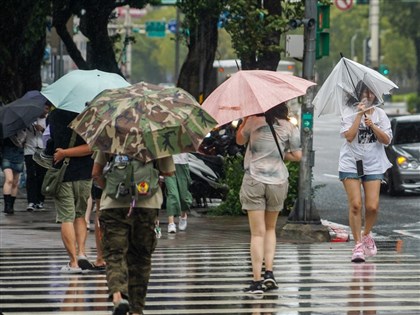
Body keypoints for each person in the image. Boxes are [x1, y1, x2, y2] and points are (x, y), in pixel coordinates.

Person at [92, 152, 174, 315]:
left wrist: (110, 188)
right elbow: (169, 172)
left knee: (115, 254)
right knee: (141, 259)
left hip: (113, 205)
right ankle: (136, 309)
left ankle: (118, 295)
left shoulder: (111, 135)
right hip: (147, 206)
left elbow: (96, 173)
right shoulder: (156, 139)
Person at [236, 103, 302, 294]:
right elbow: (298, 155)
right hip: (278, 181)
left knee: (257, 233)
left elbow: (240, 141)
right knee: (271, 228)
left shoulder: (253, 121)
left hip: (254, 180)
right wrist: (280, 154)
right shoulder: (289, 126)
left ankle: (256, 282)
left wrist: (244, 121)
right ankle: (269, 273)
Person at [339, 82, 392, 263]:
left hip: (373, 164)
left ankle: (367, 234)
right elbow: (349, 136)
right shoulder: (348, 112)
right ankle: (358, 246)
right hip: (350, 164)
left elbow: (386, 140)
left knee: (372, 207)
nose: (368, 95)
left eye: (371, 92)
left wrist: (373, 125)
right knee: (355, 205)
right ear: (358, 94)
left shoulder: (380, 115)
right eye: (365, 92)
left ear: (375, 96)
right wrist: (359, 115)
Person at [48, 108, 94, 273]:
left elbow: (51, 142)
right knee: (80, 215)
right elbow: (91, 147)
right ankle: (81, 253)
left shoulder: (54, 115)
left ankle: (73, 262)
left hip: (62, 173)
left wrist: (64, 152)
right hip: (85, 173)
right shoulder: (89, 116)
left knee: (66, 217)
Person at [24, 103, 50, 211]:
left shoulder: (49, 120)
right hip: (30, 150)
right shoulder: (29, 120)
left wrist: (42, 130)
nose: (44, 110)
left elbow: (51, 135)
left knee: (42, 177)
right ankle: (31, 201)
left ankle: (40, 200)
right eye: (43, 108)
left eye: (47, 108)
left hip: (43, 151)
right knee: (31, 176)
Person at [165, 153, 192, 233]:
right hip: (168, 163)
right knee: (172, 194)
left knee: (183, 197)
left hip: (182, 164)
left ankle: (183, 215)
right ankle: (171, 223)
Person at [1, 129, 27, 215]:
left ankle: (11, 206)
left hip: (19, 154)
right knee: (9, 179)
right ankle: (7, 206)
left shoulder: (23, 128)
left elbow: (25, 141)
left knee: (15, 182)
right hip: (6, 154)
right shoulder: (4, 127)